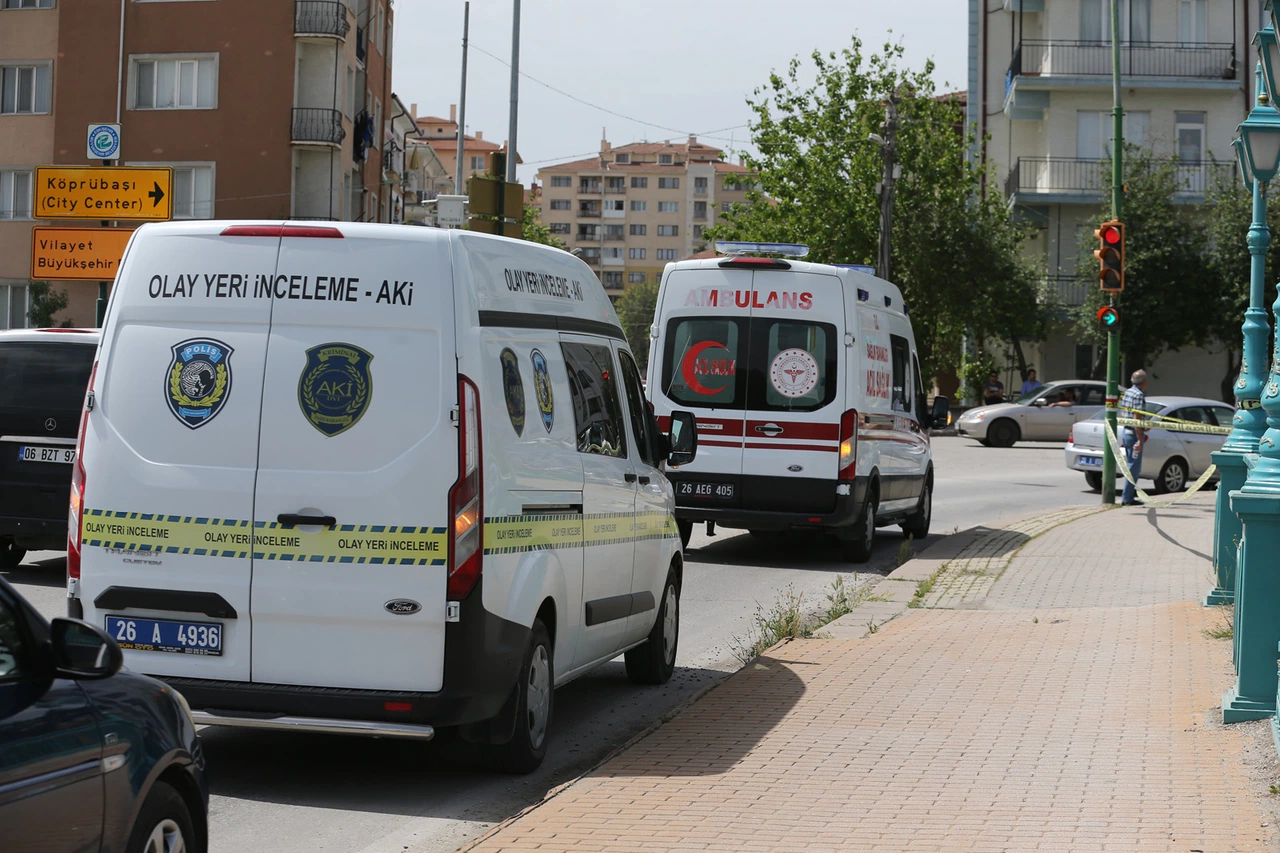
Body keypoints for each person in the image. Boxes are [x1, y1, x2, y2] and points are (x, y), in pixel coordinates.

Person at [1120, 369, 1149, 506]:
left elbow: (1126, 413)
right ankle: (1127, 498)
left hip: (1126, 431)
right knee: (1134, 468)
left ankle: (1128, 496)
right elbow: (1136, 417)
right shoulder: (1138, 395)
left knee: (1131, 464)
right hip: (1133, 433)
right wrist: (1139, 438)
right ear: (1143, 381)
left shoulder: (1128, 392)